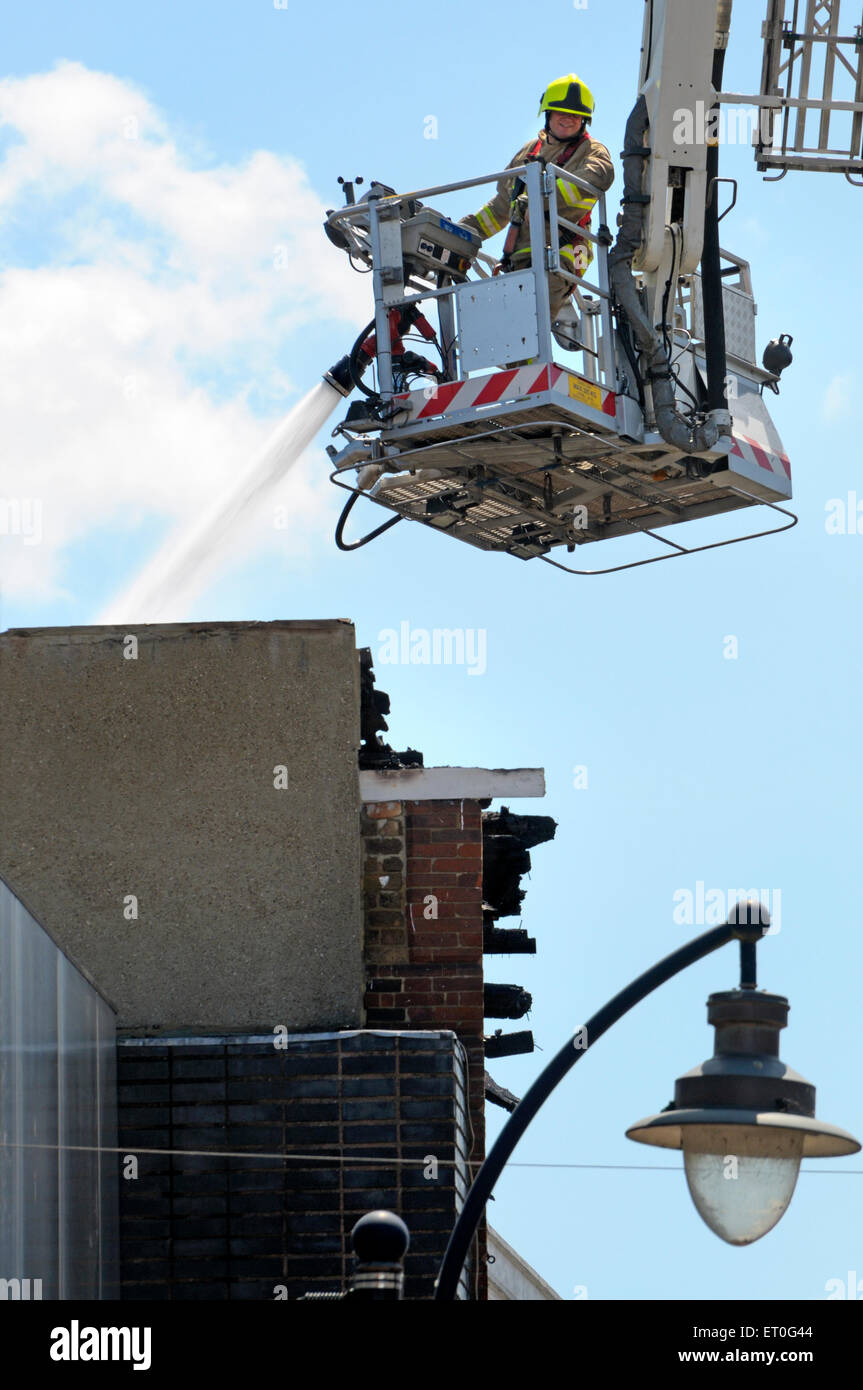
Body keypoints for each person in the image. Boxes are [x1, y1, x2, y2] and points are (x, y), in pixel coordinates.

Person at [460, 74, 614, 336]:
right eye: (561, 113)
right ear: (548, 114)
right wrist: (462, 232)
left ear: (584, 121)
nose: (567, 119)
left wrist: (541, 199)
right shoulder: (528, 153)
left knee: (531, 321)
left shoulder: (592, 150)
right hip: (519, 256)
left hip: (563, 252)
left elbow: (599, 176)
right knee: (506, 331)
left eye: (575, 116)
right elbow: (501, 207)